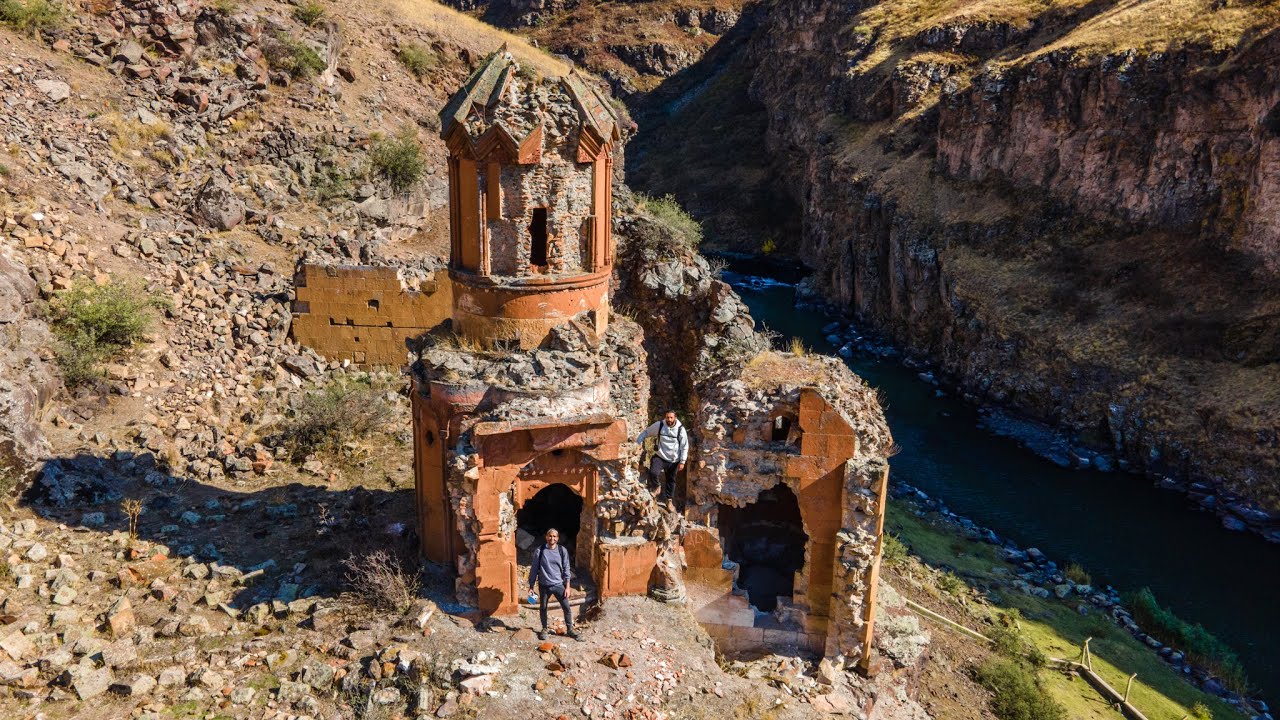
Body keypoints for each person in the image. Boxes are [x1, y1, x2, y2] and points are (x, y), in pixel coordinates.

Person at [528, 528, 579, 641]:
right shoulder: (540, 550)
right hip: (544, 585)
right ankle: (544, 629)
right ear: (546, 537)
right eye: (550, 536)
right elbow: (534, 569)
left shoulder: (562, 550)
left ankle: (570, 629)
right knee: (543, 608)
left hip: (558, 585)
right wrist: (531, 586)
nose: (552, 538)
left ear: (558, 538)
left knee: (566, 607)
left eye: (554, 536)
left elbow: (566, 568)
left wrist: (568, 586)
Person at [636, 410, 688, 505]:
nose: (669, 419)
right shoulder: (660, 425)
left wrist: (682, 461)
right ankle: (657, 486)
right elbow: (646, 432)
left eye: (671, 417)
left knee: (671, 480)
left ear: (675, 418)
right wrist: (637, 442)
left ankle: (669, 501)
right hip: (660, 456)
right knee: (653, 472)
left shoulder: (680, 429)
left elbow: (684, 446)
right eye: (667, 417)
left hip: (674, 460)